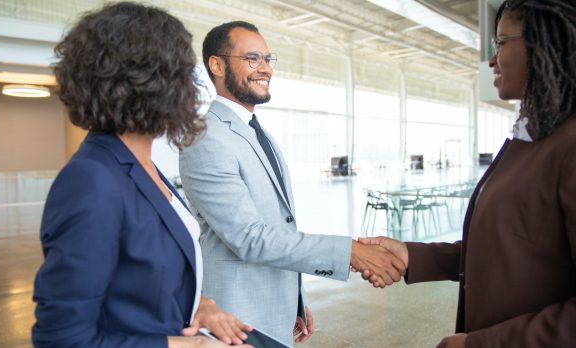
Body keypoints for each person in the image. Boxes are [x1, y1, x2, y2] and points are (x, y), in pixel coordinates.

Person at [31, 3, 253, 347]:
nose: (192, 86)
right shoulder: (92, 181)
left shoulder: (141, 165)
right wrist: (186, 346)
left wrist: (200, 307)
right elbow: (64, 339)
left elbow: (141, 285)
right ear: (153, 81)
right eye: (183, 71)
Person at [361, 1, 576, 347]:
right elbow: (508, 247)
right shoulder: (529, 138)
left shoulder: (568, 144)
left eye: (501, 43)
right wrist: (414, 255)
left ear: (544, 44)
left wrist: (477, 344)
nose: (491, 59)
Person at [178, 21, 406, 346]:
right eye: (253, 59)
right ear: (217, 64)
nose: (265, 69)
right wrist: (349, 252)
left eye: (269, 60)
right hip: (236, 316)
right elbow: (248, 237)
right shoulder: (206, 136)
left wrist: (295, 298)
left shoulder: (258, 132)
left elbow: (279, 224)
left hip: (272, 308)